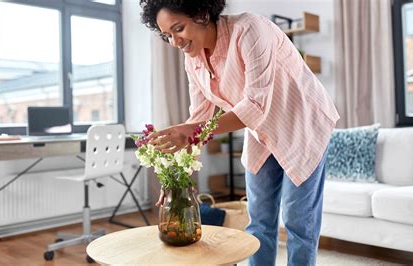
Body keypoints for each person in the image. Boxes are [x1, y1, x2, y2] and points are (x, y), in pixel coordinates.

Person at [139, 1, 340, 265]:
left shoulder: (249, 30)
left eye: (179, 29)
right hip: (261, 133)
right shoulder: (194, 60)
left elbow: (254, 106)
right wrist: (175, 178)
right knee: (258, 220)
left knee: (298, 222)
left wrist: (188, 132)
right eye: (168, 36)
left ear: (200, 13)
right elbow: (199, 120)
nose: (175, 42)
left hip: (302, 124)